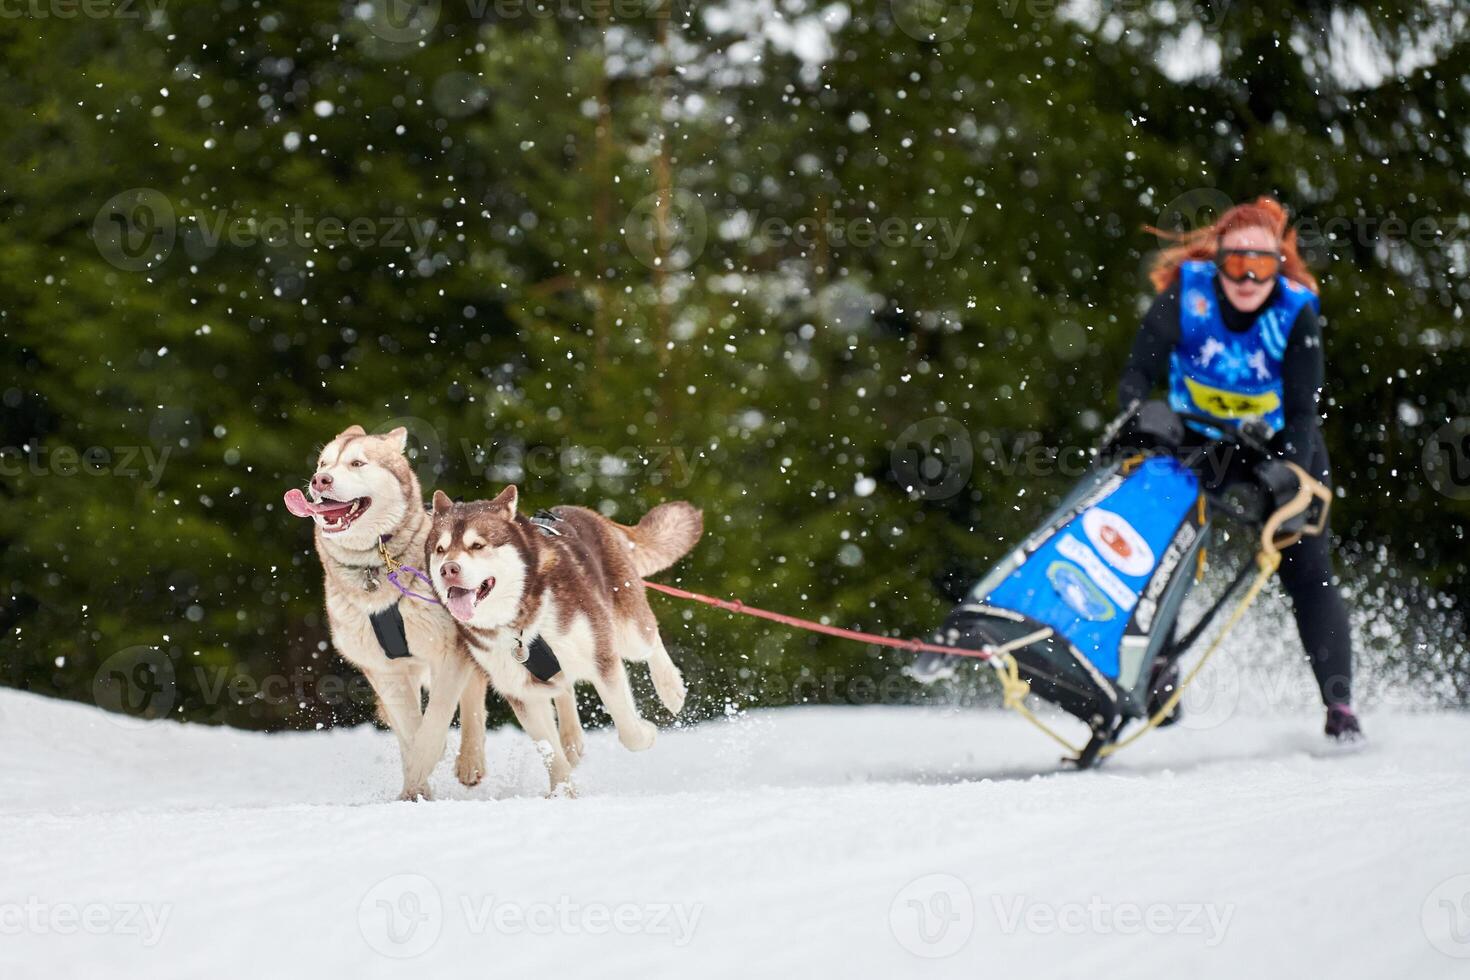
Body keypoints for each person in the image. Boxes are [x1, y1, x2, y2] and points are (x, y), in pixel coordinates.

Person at [1119, 195, 1362, 742]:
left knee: (1305, 566)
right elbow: (1136, 374)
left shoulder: (1296, 310)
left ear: (1280, 266)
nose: (1249, 277)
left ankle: (1339, 706)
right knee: (1164, 546)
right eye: (1236, 264)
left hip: (1277, 443)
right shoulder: (1188, 291)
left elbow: (1303, 411)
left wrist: (1290, 473)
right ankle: (1157, 673)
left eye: (1263, 265)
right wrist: (1141, 413)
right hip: (1201, 441)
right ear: (1217, 261)